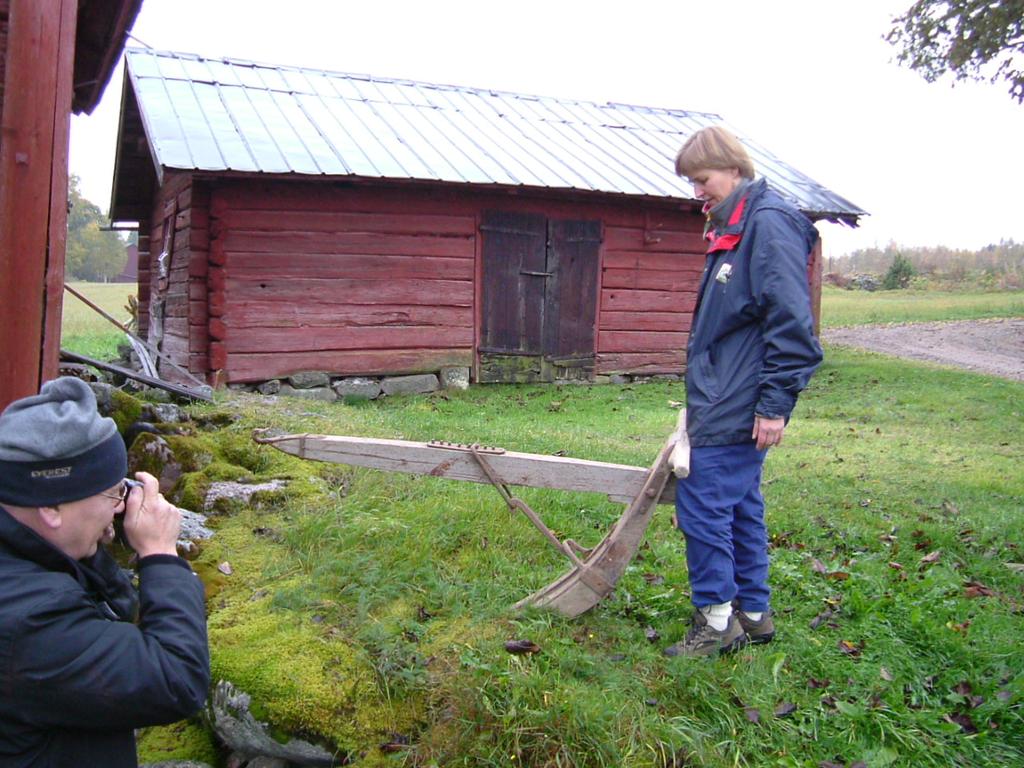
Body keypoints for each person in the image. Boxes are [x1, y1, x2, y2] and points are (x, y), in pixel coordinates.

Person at [663, 126, 823, 658]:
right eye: (691, 183)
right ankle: (753, 614)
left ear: (733, 169)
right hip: (725, 394)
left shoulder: (768, 224)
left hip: (739, 400)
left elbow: (792, 326)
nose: (696, 193)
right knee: (740, 505)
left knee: (704, 503)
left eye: (701, 180)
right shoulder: (736, 223)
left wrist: (775, 405)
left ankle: (715, 622)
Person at [0, 377, 210, 767]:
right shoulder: (30, 621)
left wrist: (95, 539)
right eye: (113, 493)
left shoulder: (27, 551)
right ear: (52, 508)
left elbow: (111, 612)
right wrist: (160, 554)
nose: (120, 506)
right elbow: (176, 680)